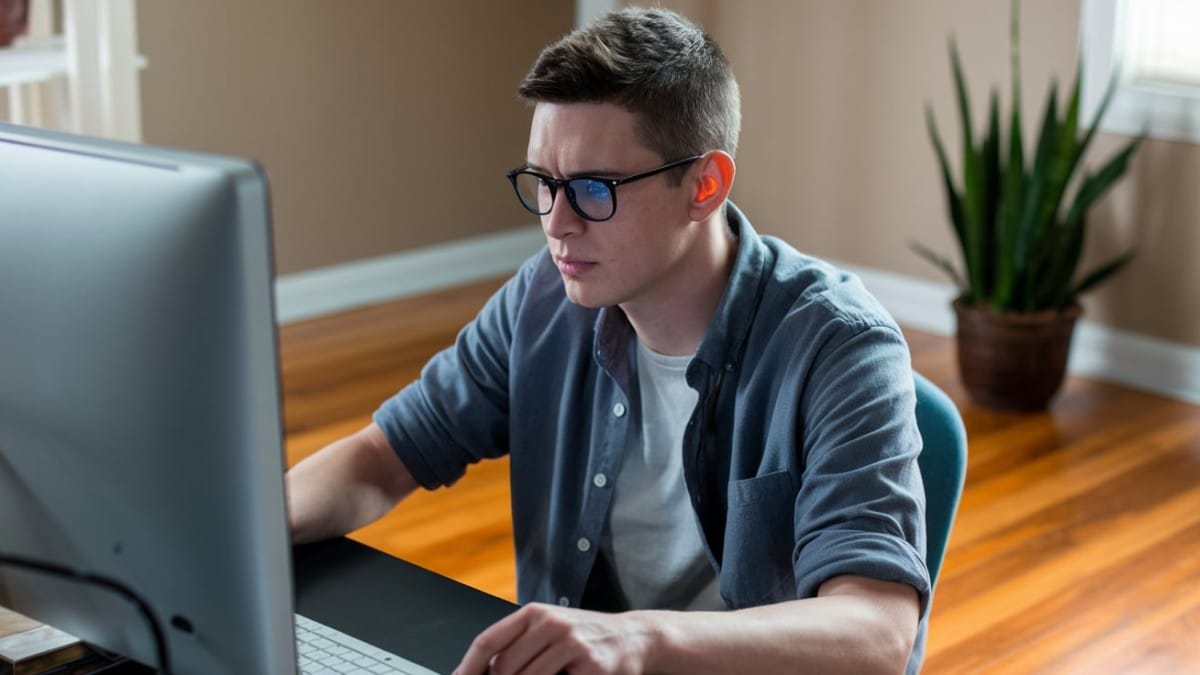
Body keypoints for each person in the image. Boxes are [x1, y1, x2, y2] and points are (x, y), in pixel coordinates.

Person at [287, 7, 929, 674]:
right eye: (544, 182)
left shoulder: (841, 347)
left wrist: (640, 641)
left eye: (595, 188)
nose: (557, 224)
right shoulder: (541, 301)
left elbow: (877, 631)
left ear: (703, 186)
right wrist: (245, 533)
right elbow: (385, 455)